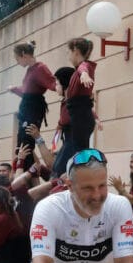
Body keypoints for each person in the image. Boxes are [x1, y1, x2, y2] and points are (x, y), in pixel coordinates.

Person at [52, 39, 97, 176]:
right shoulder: (78, 70)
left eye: (69, 52)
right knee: (76, 158)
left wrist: (84, 74)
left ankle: (80, 179)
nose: (68, 56)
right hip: (80, 118)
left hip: (81, 119)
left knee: (79, 157)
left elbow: (84, 68)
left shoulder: (84, 67)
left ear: (75, 51)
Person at [10, 42, 56, 156]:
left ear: (24, 55)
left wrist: (67, 91)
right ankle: (22, 164)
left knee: (27, 143)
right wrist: (14, 89)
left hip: (33, 109)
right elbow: (27, 90)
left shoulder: (40, 69)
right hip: (26, 110)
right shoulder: (30, 70)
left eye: (17, 59)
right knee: (20, 145)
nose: (17, 62)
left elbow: (53, 84)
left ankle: (27, 166)